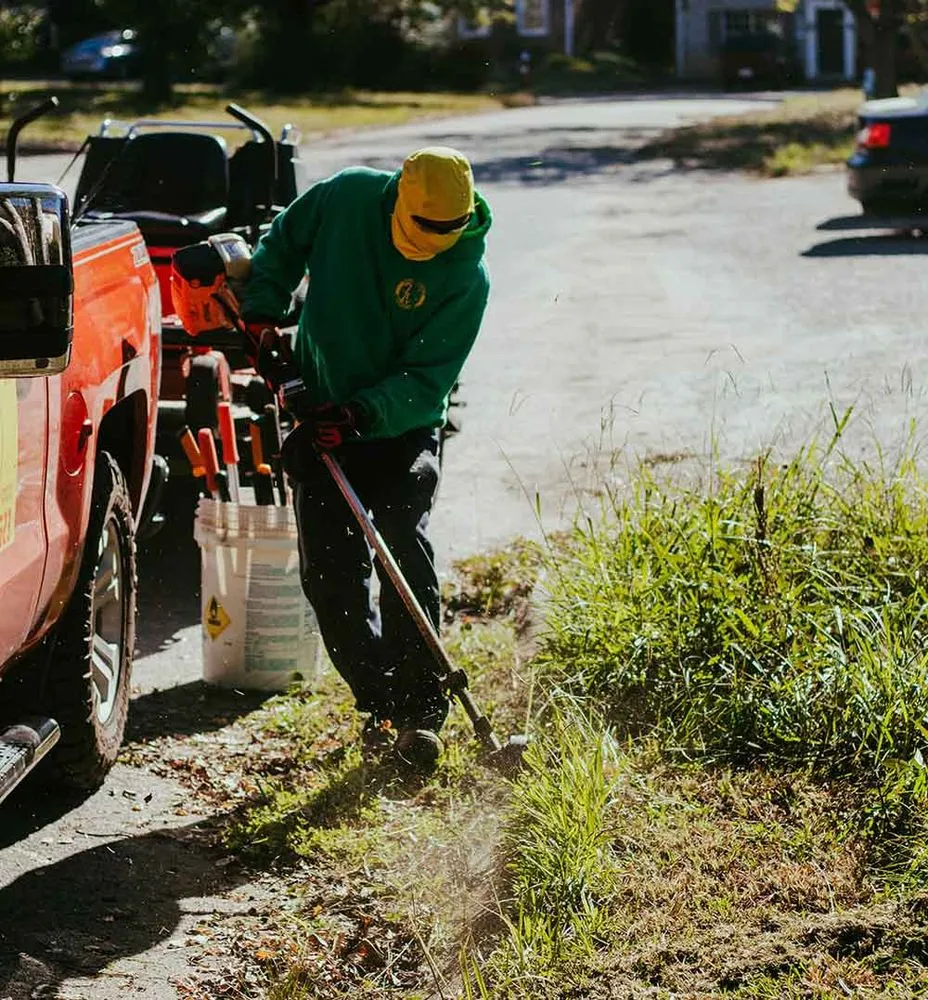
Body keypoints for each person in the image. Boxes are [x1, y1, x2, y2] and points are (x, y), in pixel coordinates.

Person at [241, 146, 492, 773]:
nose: (432, 241)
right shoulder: (347, 197)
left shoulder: (466, 277)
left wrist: (358, 416)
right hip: (318, 405)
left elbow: (426, 378)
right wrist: (265, 310)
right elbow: (282, 241)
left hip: (398, 426)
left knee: (401, 546)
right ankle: (380, 706)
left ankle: (423, 711)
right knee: (330, 570)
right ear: (397, 199)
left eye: (446, 232)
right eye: (422, 228)